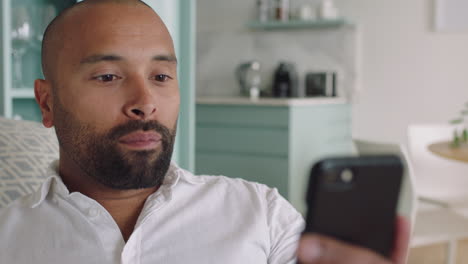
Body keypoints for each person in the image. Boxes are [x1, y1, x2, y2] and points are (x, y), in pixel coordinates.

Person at [0, 0, 410, 263]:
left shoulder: (262, 216)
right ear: (47, 102)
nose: (146, 101)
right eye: (108, 76)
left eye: (161, 75)